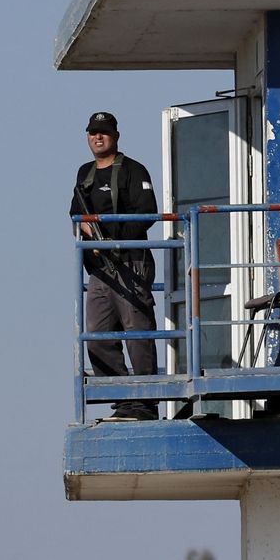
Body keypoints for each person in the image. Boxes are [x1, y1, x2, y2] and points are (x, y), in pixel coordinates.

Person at [72, 111, 160, 420]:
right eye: (92, 132)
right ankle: (122, 399)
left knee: (138, 332)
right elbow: (75, 215)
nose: (98, 137)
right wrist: (88, 233)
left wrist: (115, 239)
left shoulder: (134, 171)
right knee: (97, 335)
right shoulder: (85, 173)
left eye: (104, 132)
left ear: (116, 136)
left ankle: (145, 402)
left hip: (129, 262)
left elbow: (148, 212)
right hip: (99, 270)